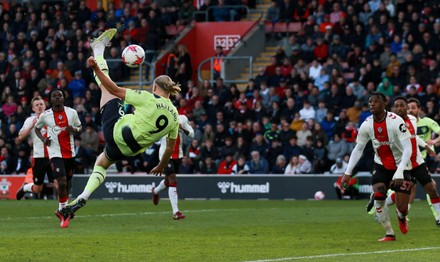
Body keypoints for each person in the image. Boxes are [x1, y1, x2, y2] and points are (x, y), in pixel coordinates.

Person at [61, 29, 180, 220]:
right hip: (131, 150)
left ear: (155, 87)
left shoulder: (148, 98)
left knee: (106, 89)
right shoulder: (175, 115)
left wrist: (95, 68)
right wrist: (160, 166)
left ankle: (98, 50)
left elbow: (114, 88)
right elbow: (169, 149)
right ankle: (83, 196)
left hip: (117, 132)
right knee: (102, 162)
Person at [341, 92, 413, 242]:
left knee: (402, 207)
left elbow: (408, 148)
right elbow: (358, 148)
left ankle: (401, 216)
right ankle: (389, 233)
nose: (372, 104)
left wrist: (399, 171)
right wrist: (347, 173)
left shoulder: (396, 122)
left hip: (402, 166)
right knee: (379, 196)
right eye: (370, 102)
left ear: (384, 103)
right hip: (381, 165)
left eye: (376, 102)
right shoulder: (367, 124)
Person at [371, 97, 440, 226]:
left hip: (417, 161)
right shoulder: (390, 123)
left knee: (431, 188)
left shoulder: (413, 120)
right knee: (404, 193)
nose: (400, 109)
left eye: (404, 106)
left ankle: (439, 216)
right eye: (397, 106)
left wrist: (426, 146)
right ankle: (380, 207)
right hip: (403, 164)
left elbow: (413, 137)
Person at [35, 89, 82, 228]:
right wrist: (44, 140)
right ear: (51, 100)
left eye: (59, 96)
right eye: (54, 96)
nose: (57, 98)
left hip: (70, 153)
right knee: (61, 182)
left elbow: (79, 127)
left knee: (66, 183)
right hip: (55, 154)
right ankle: (63, 211)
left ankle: (63, 209)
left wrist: (73, 130)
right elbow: (37, 129)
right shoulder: (45, 115)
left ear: (63, 98)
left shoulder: (72, 112)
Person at [153, 114, 194, 220]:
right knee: (173, 178)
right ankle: (176, 211)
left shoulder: (183, 119)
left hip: (178, 154)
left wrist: (182, 128)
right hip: (165, 154)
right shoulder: (163, 119)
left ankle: (156, 191)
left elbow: (192, 134)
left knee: (168, 181)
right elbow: (156, 137)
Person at [16, 96, 55, 201]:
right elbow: (20, 137)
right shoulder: (30, 120)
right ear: (33, 108)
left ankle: (63, 209)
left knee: (58, 183)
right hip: (39, 157)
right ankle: (25, 188)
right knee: (38, 188)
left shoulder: (53, 118)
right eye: (37, 105)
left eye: (41, 104)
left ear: (45, 106)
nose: (39, 107)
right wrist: (31, 127)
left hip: (53, 156)